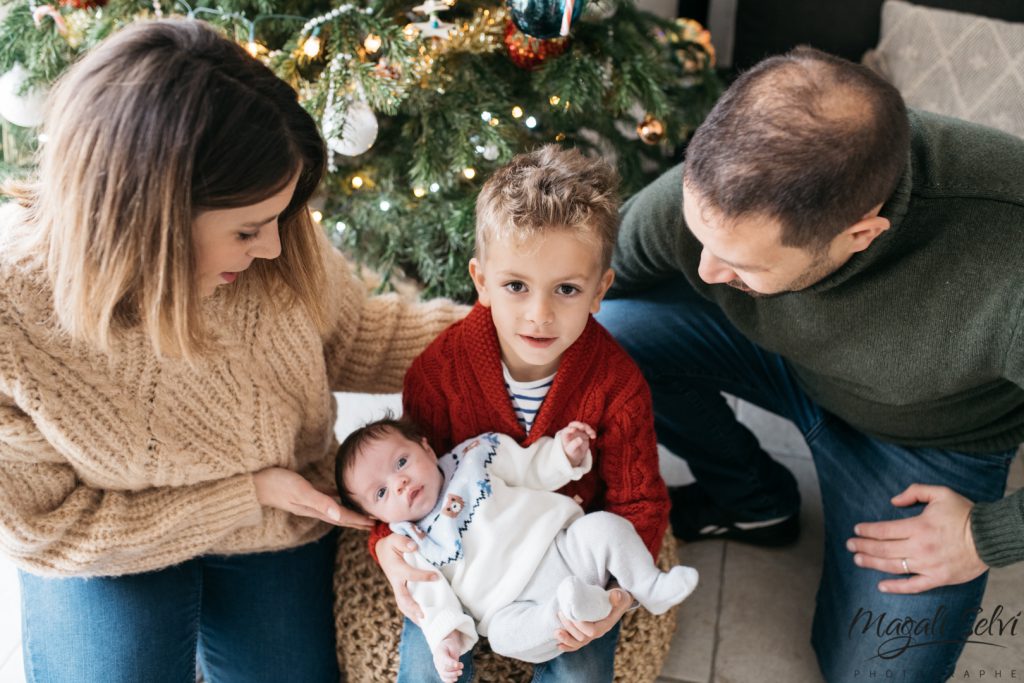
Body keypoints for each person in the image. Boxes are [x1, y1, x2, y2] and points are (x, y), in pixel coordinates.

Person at [0, 19, 464, 683]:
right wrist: (243, 492)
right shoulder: (13, 317)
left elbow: (362, 336)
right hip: (103, 543)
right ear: (149, 217)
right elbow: (47, 527)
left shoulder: (270, 245)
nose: (273, 248)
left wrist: (513, 331)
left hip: (276, 521)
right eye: (248, 230)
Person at [597, 45, 1024, 682]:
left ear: (860, 235)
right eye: (699, 234)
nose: (707, 270)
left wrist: (985, 536)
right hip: (787, 364)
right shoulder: (729, 186)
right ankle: (752, 498)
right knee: (610, 333)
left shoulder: (1009, 262)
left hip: (929, 446)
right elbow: (589, 280)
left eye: (742, 266)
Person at [367, 144, 672, 682]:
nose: (539, 315)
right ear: (481, 282)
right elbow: (401, 476)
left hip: (566, 556)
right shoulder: (438, 373)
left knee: (580, 670)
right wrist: (384, 545)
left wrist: (618, 598)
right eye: (516, 286)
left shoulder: (617, 385)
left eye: (567, 290)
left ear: (600, 291)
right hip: (462, 560)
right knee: (426, 670)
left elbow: (638, 500)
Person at [336, 416, 697, 682]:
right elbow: (429, 596)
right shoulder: (408, 541)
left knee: (604, 526)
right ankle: (573, 609)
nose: (399, 483)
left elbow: (528, 466)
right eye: (381, 493)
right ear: (374, 515)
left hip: (563, 548)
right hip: (510, 607)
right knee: (507, 637)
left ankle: (650, 585)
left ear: (426, 448)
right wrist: (444, 638)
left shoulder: (474, 457)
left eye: (401, 462)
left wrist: (564, 455)